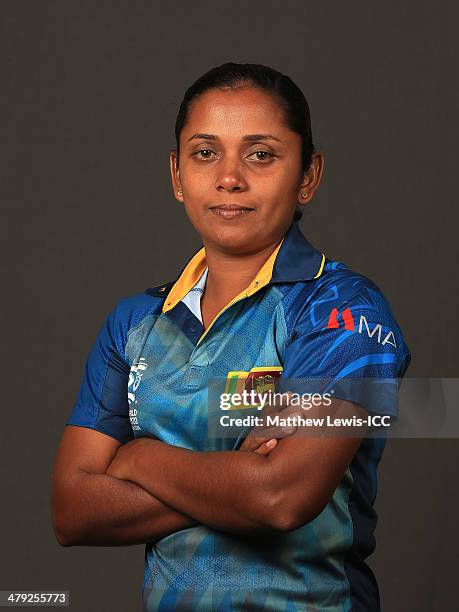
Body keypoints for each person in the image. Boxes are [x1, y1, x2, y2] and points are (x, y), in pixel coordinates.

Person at [51, 62, 411, 611]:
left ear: (308, 175)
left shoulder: (343, 312)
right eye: (204, 152)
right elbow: (73, 510)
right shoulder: (134, 322)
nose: (229, 177)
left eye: (261, 154)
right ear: (177, 174)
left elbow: (280, 497)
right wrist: (235, 475)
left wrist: (142, 458)